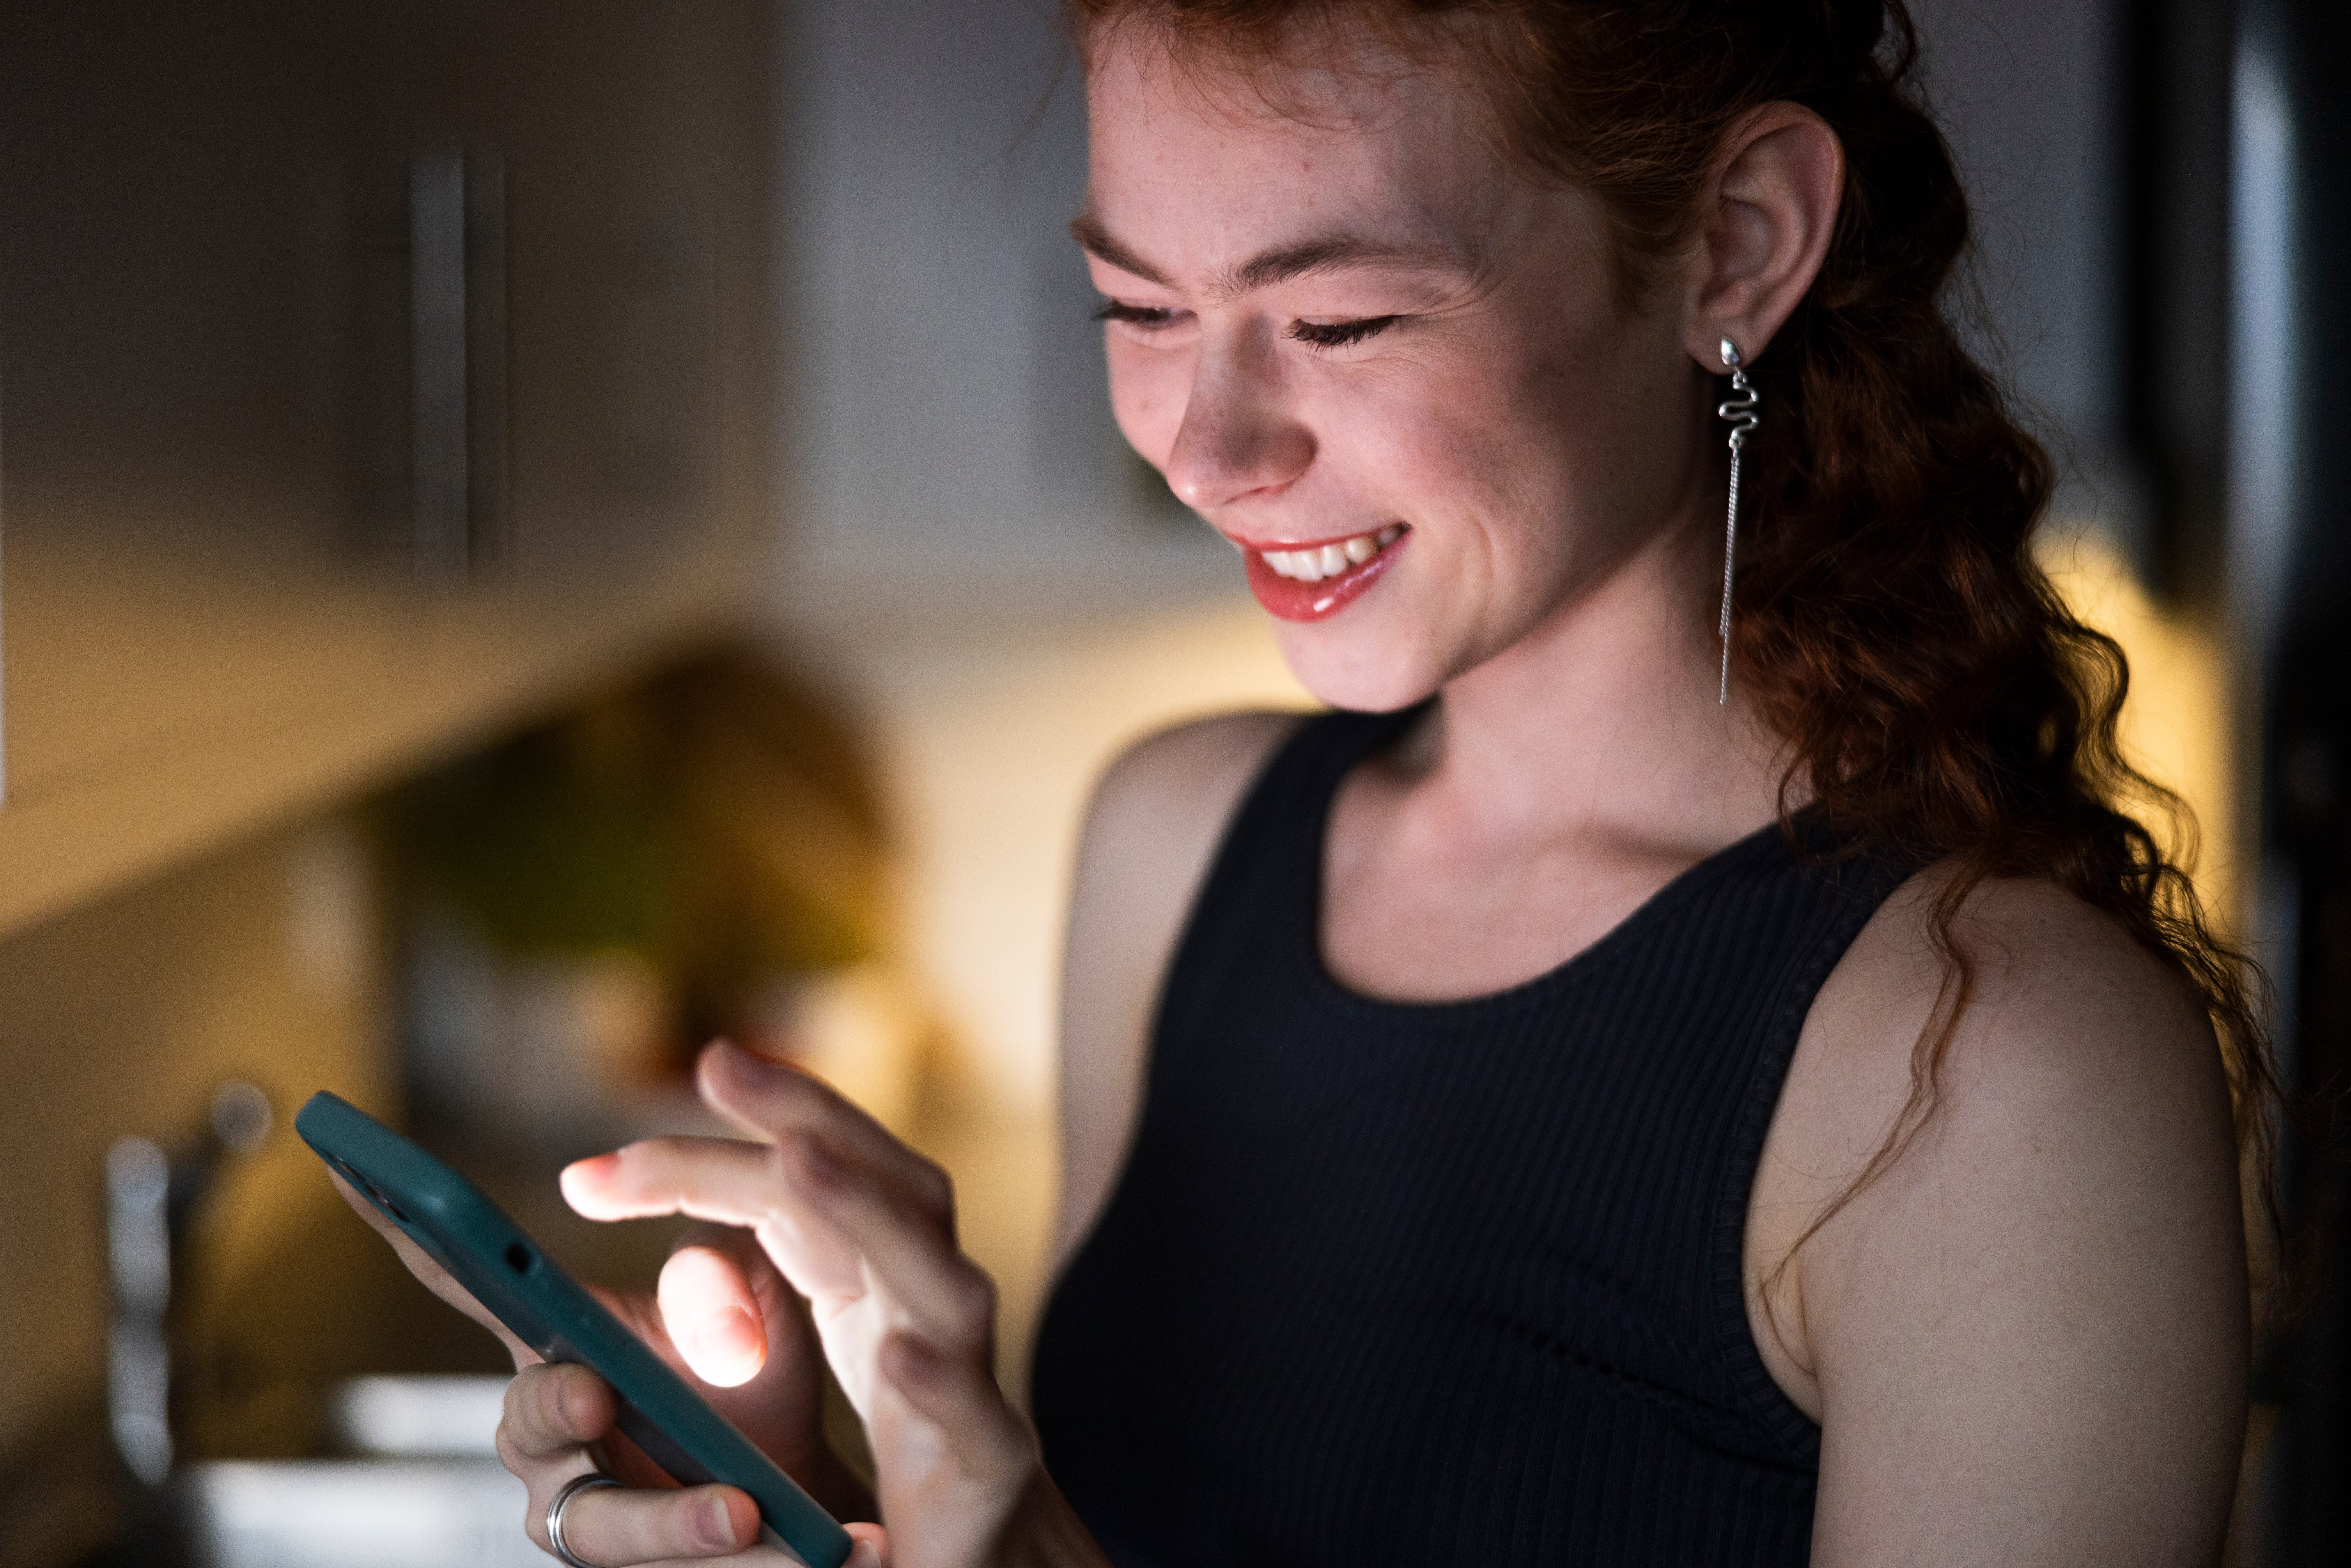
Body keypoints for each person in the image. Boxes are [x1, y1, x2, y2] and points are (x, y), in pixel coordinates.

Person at [349, 1, 2273, 1563]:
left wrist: (1004, 1535)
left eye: (1341, 319)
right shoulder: (1174, 846)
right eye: (1140, 309)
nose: (1208, 444)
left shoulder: (1996, 1072)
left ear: (1736, 244)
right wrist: (805, 1488)